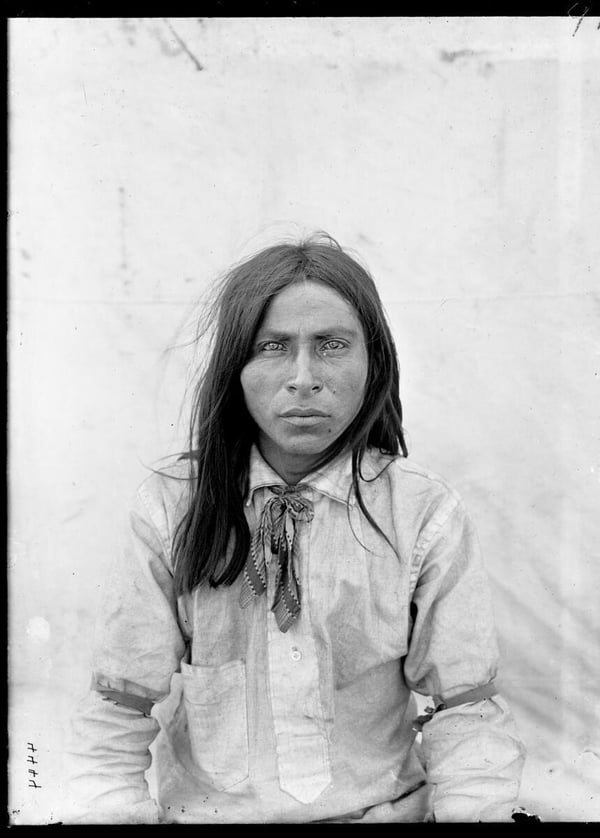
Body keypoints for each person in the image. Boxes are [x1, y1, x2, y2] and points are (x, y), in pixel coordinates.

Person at [66, 234, 526, 824]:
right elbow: (115, 714)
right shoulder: (170, 508)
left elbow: (467, 713)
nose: (303, 378)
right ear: (236, 368)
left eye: (332, 346)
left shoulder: (423, 513)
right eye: (273, 346)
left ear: (374, 363)